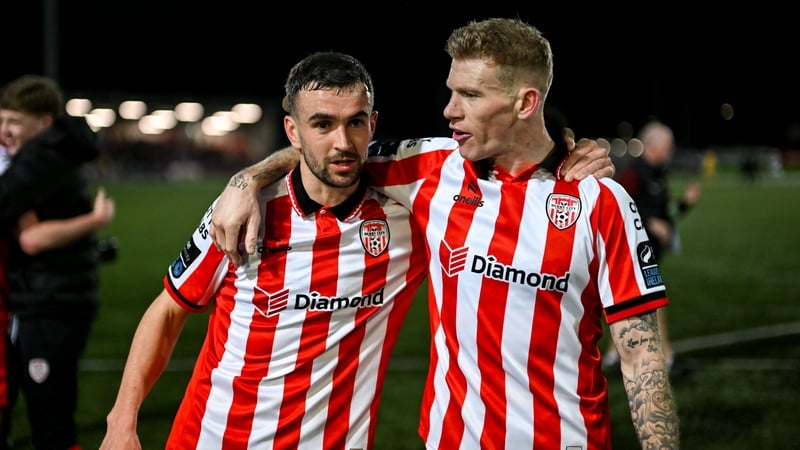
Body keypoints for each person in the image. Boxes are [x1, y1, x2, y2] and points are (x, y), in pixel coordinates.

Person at [100, 51, 610, 449]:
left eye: (356, 122)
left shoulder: (410, 219)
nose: (342, 142)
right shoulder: (244, 212)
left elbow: (508, 145)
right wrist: (122, 421)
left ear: (374, 123)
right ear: (292, 132)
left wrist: (569, 146)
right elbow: (169, 310)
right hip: (212, 439)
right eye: (322, 124)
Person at [210, 18, 679, 449]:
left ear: (525, 103)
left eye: (470, 95)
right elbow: (332, 150)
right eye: (451, 91)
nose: (449, 109)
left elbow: (643, 361)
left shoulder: (601, 202)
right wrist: (247, 178)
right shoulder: (432, 169)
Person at [0, 74, 115, 450]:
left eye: (15, 121)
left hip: (50, 304)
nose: (5, 130)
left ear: (44, 122)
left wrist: (95, 222)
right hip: (52, 299)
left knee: (50, 419)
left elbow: (30, 238)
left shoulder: (39, 157)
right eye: (1, 120)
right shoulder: (55, 152)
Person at [601, 120, 701, 377]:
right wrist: (649, 221)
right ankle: (666, 360)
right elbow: (618, 206)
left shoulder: (658, 174)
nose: (670, 151)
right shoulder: (634, 174)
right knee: (654, 301)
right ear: (653, 146)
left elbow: (666, 217)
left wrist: (685, 206)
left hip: (650, 252)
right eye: (668, 146)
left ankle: (613, 356)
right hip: (633, 253)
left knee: (631, 304)